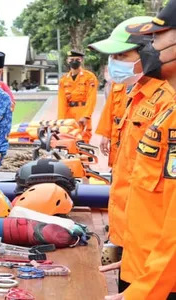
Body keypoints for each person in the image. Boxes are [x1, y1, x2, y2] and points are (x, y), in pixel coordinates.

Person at [90, 14, 176, 295]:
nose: (114, 63)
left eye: (122, 55)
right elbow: (132, 184)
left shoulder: (167, 102)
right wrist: (121, 249)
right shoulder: (138, 95)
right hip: (138, 257)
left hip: (158, 276)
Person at [88, 16, 153, 168]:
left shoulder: (163, 99)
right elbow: (111, 109)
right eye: (112, 56)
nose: (114, 61)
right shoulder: (126, 82)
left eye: (121, 55)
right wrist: (106, 133)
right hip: (121, 158)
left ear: (149, 55)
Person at [57, 50, 98, 144]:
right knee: (68, 138)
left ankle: (85, 157)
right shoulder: (63, 80)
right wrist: (60, 120)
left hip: (82, 111)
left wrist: (86, 116)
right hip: (68, 113)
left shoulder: (89, 77)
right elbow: (61, 101)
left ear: (81, 60)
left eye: (77, 59)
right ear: (67, 61)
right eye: (71, 59)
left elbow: (91, 98)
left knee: (83, 138)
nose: (74, 61)